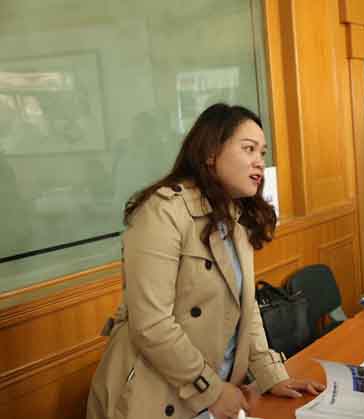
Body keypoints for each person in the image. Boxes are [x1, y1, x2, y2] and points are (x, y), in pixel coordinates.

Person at [87, 103, 324, 419]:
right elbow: (152, 325)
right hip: (154, 397)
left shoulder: (234, 215)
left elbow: (245, 308)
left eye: (262, 152)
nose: (259, 161)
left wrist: (272, 376)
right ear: (211, 153)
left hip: (210, 395)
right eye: (249, 149)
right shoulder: (163, 211)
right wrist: (212, 390)